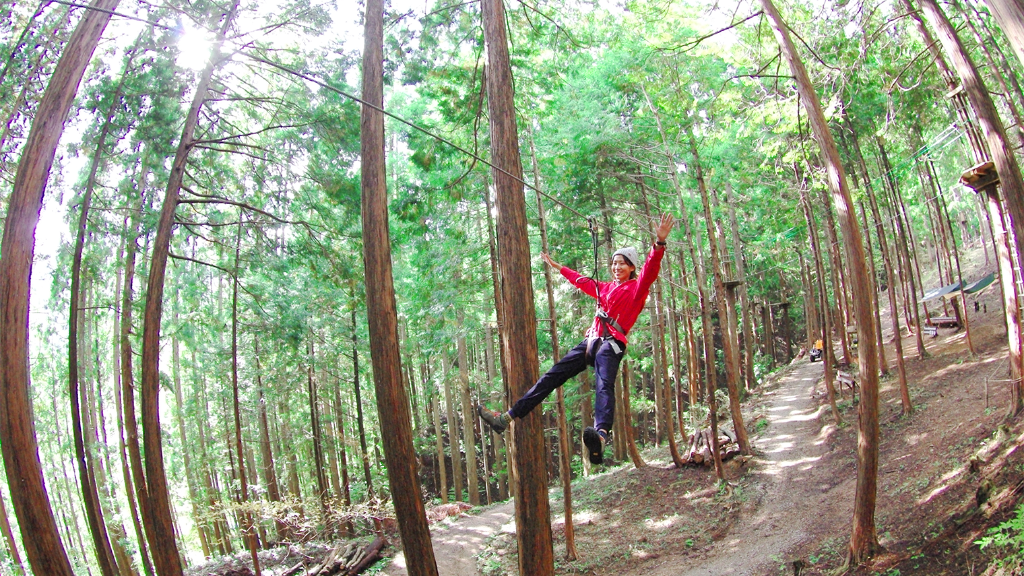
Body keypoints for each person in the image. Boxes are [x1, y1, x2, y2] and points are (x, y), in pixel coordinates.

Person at [479, 213, 675, 464]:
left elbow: (651, 269)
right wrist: (559, 267)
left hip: (611, 345)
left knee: (604, 385)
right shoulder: (604, 287)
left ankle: (601, 435)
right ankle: (506, 419)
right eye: (614, 263)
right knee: (550, 378)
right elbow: (581, 281)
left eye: (623, 264)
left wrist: (658, 244)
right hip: (591, 342)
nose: (617, 268)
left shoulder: (637, 288)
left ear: (632, 267)